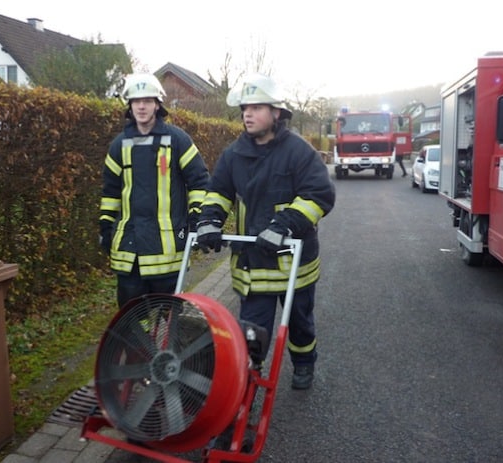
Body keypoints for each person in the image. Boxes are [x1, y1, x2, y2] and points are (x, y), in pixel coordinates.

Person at [196, 73, 336, 390]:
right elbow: (218, 192)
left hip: (292, 265)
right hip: (254, 265)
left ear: (276, 113)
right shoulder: (233, 155)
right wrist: (209, 220)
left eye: (257, 107)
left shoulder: (299, 152)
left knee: (300, 325)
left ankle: (303, 364)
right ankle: (247, 385)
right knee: (250, 333)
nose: (248, 114)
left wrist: (284, 224)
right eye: (245, 107)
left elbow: (319, 196)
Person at [99, 73, 209, 309]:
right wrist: (106, 226)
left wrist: (196, 218)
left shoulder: (178, 140)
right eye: (136, 101)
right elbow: (110, 191)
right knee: (132, 322)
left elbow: (200, 182)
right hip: (130, 253)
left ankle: (160, 347)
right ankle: (141, 348)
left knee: (169, 321)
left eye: (147, 100)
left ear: (158, 104)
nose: (141, 106)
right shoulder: (119, 145)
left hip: (167, 252)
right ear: (129, 105)